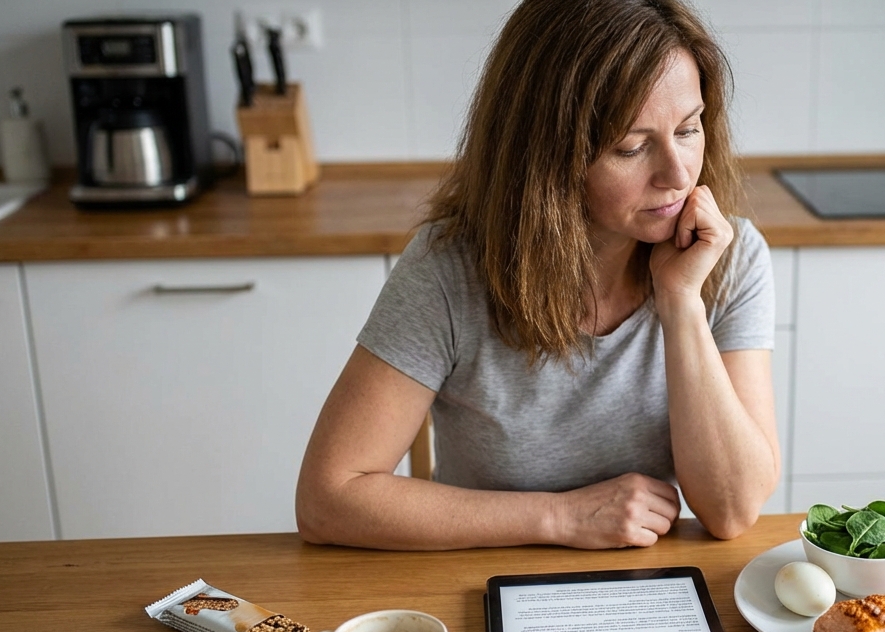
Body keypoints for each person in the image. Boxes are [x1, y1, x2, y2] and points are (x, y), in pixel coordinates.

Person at [295, 0, 778, 550]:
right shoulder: (448, 268)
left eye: (689, 129)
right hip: (478, 580)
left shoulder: (728, 257)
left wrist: (682, 301)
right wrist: (560, 518)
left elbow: (733, 511)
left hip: (645, 584)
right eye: (631, 146)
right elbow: (327, 500)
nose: (677, 173)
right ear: (547, 155)